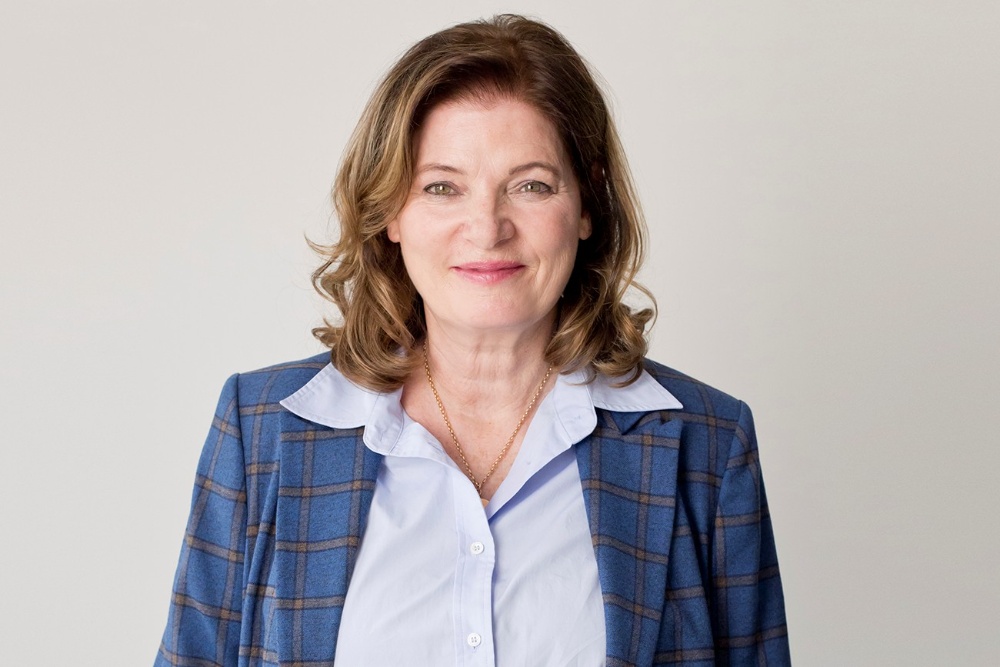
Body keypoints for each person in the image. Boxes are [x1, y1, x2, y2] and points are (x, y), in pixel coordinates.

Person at [155, 14, 790, 667]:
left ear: (587, 204)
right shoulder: (262, 430)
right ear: (390, 211)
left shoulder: (708, 446)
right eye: (442, 187)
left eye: (531, 185)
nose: (487, 228)